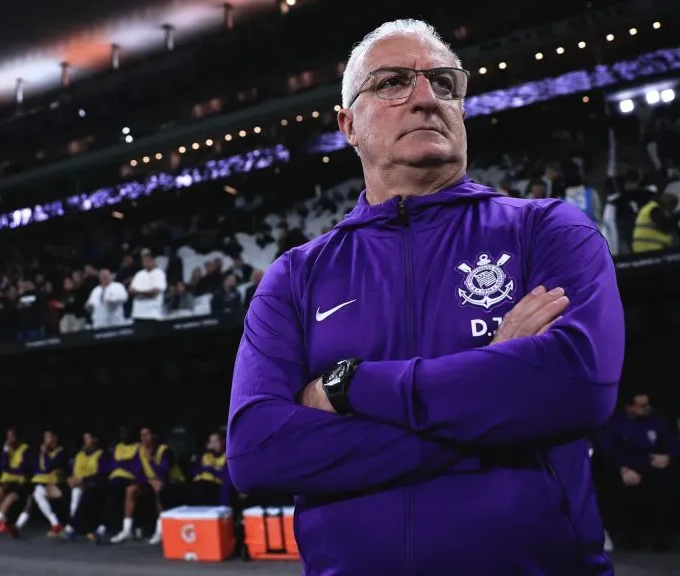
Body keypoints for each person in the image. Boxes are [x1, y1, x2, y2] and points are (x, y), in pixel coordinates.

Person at [227, 19, 624, 575]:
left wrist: (350, 385)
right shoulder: (295, 277)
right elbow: (257, 452)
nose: (424, 98)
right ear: (348, 125)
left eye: (443, 83)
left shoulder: (548, 230)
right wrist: (493, 390)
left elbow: (576, 387)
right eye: (392, 82)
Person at [597, 392, 680, 551]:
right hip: (624, 469)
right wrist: (623, 469)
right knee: (620, 493)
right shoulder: (614, 425)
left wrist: (668, 457)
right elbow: (606, 451)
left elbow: (673, 442)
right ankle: (628, 539)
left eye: (647, 404)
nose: (646, 408)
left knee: (663, 489)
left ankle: (660, 541)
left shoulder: (654, 422)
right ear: (629, 406)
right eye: (642, 405)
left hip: (651, 467)